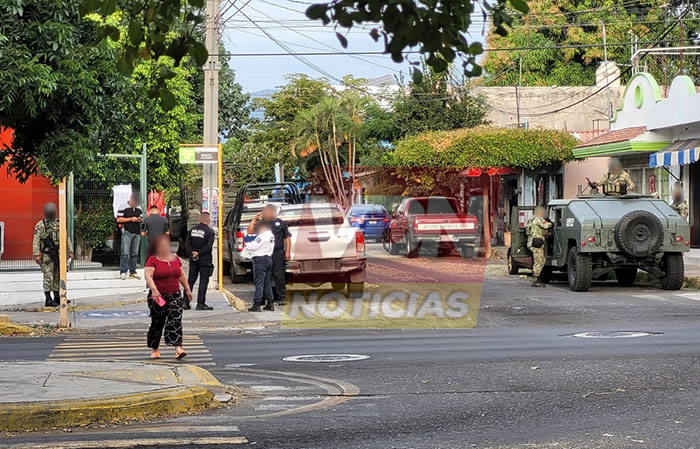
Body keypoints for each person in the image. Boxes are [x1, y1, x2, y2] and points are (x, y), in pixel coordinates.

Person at [144, 235, 193, 360]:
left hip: (175, 294)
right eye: (162, 246)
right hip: (158, 296)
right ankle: (155, 349)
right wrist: (154, 291)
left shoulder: (175, 259)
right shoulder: (153, 260)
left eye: (167, 245)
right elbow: (148, 276)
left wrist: (187, 289)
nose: (165, 248)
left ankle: (178, 347)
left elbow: (181, 275)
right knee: (158, 321)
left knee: (175, 319)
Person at [247, 204, 291, 305]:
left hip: (277, 252)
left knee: (278, 275)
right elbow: (250, 231)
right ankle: (263, 298)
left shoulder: (280, 223)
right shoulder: (261, 223)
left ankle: (282, 297)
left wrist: (287, 251)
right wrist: (254, 219)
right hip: (263, 253)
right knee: (263, 277)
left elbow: (287, 237)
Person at [32, 203, 73, 307]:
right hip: (47, 255)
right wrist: (36, 254)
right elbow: (36, 240)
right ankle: (48, 298)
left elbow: (65, 237)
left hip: (58, 254)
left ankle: (57, 297)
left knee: (57, 275)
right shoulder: (40, 225)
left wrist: (70, 250)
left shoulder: (59, 223)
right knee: (48, 276)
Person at [242, 221, 276, 312]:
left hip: (259, 260)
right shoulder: (271, 236)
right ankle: (270, 302)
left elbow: (253, 247)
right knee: (267, 282)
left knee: (259, 282)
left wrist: (247, 244)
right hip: (268, 258)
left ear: (263, 227)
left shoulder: (262, 236)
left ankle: (257, 304)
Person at [186, 212, 215, 311]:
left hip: (193, 259)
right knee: (203, 282)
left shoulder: (192, 230)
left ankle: (185, 302)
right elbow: (208, 246)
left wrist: (192, 253)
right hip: (205, 260)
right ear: (208, 220)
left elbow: (187, 244)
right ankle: (200, 303)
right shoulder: (210, 232)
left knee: (190, 281)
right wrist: (200, 253)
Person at [117, 193, 143, 280]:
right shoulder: (123, 206)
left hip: (137, 232)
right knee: (125, 252)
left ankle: (133, 271)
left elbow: (142, 218)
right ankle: (123, 271)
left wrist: (139, 220)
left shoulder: (139, 208)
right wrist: (131, 219)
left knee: (135, 253)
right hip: (127, 232)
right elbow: (118, 219)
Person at [527, 206, 552, 287]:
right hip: (536, 242)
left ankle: (537, 278)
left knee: (541, 260)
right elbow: (546, 226)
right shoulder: (537, 219)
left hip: (536, 241)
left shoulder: (532, 219)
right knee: (539, 260)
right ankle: (535, 280)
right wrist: (551, 223)